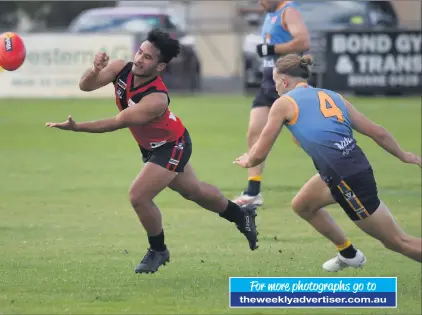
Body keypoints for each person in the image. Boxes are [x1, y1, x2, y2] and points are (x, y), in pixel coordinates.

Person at [45, 29, 259, 274]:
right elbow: (85, 86)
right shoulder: (120, 68)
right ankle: (241, 215)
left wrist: (77, 128)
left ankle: (158, 250)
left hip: (172, 145)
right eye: (140, 52)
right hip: (152, 146)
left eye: (147, 57)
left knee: (139, 196)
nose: (139, 59)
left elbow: (117, 122)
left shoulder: (157, 99)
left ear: (160, 66)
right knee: (194, 192)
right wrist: (94, 70)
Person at [234, 54, 422, 270]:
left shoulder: (283, 104)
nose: (275, 87)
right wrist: (403, 155)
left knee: (397, 242)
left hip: (346, 179)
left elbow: (259, 154)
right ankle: (348, 253)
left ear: (284, 81)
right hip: (348, 168)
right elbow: (377, 132)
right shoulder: (333, 96)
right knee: (303, 205)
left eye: (276, 81)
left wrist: (248, 160)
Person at [234, 0, 310, 206]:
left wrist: (272, 48)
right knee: (254, 132)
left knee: (304, 139)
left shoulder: (289, 11)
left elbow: (303, 42)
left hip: (288, 85)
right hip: (269, 84)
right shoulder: (270, 12)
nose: (259, 2)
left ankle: (339, 176)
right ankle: (253, 192)